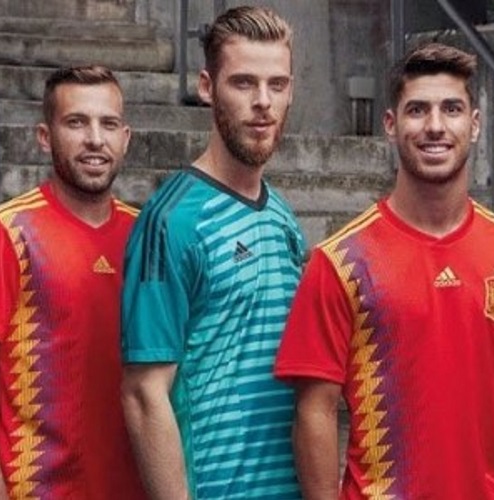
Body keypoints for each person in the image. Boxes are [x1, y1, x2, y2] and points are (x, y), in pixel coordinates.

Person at [273, 42, 494, 500]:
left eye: (451, 109)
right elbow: (315, 411)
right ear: (391, 125)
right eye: (417, 110)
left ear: (474, 124)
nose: (435, 126)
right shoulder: (340, 261)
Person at [119, 5, 306, 499]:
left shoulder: (283, 216)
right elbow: (144, 393)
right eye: (243, 83)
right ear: (207, 87)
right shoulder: (171, 222)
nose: (263, 102)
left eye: (277, 84)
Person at [0, 65, 145, 499]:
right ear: (45, 136)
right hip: (37, 489)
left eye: (108, 124)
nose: (95, 139)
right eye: (76, 122)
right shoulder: (7, 230)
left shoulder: (146, 236)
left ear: (125, 138)